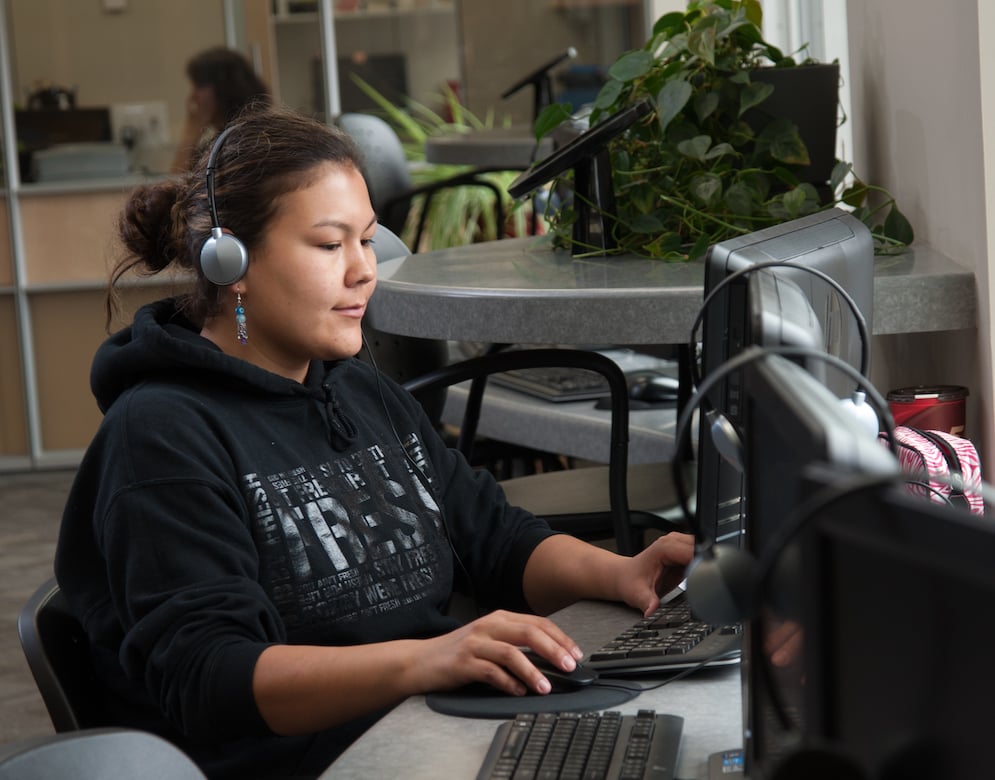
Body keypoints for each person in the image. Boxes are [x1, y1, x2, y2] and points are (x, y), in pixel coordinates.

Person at [55, 104, 693, 780]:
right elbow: (210, 679)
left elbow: (495, 537)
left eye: (367, 239)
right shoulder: (161, 435)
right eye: (331, 245)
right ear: (231, 263)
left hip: (426, 731)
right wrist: (426, 659)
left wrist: (622, 573)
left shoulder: (360, 391)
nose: (363, 270)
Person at [170, 46, 270, 174]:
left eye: (199, 86)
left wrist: (191, 132)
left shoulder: (248, 144)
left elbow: (176, 188)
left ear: (223, 88)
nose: (193, 96)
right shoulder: (219, 142)